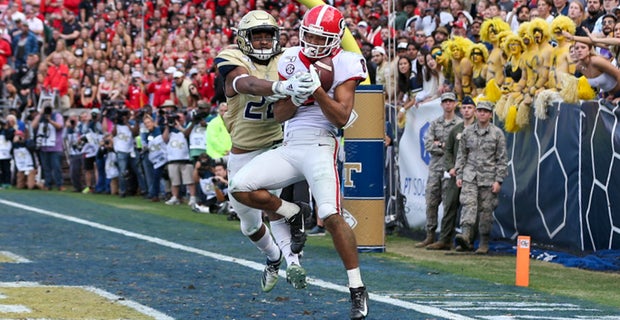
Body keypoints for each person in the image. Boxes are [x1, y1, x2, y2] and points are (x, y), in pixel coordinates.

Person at [229, 5, 369, 319]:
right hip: (291, 144)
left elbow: (342, 117)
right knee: (239, 187)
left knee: (332, 216)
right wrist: (293, 94)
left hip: (321, 143)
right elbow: (279, 115)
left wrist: (317, 91)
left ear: (335, 38)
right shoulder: (292, 57)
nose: (314, 42)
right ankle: (292, 213)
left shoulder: (347, 61)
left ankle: (357, 288)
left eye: (321, 37)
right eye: (310, 35)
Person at [214, 10, 312, 293]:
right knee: (249, 224)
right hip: (244, 150)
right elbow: (245, 83)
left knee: (274, 207)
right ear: (244, 39)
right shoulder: (232, 59)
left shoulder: (287, 59)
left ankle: (293, 262)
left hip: (279, 145)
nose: (262, 41)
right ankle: (273, 257)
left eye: (267, 35)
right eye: (256, 36)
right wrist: (280, 86)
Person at [454, 101, 508, 254]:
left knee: (486, 212)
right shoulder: (467, 132)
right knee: (468, 205)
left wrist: (499, 180)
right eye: (480, 111)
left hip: (489, 178)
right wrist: (459, 174)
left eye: (486, 111)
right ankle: (465, 237)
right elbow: (461, 154)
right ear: (476, 113)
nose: (482, 113)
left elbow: (502, 159)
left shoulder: (497, 134)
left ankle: (483, 243)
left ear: (490, 114)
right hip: (470, 176)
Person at [426, 96, 477, 250]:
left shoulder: (478, 128)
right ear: (461, 109)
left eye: (470, 108)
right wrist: (450, 167)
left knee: (471, 207)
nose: (467, 111)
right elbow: (447, 150)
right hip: (455, 172)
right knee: (449, 205)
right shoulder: (456, 130)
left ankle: (468, 241)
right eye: (465, 108)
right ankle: (444, 239)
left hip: (474, 173)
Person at [416, 91, 463, 248]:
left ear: (455, 104)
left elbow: (459, 148)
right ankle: (430, 235)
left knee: (449, 204)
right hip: (436, 168)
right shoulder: (435, 123)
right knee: (431, 201)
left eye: (451, 101)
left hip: (451, 169)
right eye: (445, 102)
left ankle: (446, 237)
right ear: (442, 104)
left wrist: (441, 144)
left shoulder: (460, 124)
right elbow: (428, 145)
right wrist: (444, 146)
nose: (448, 104)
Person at [32, 106, 65, 191]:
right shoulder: (40, 116)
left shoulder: (57, 116)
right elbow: (33, 125)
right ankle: (48, 184)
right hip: (44, 145)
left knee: (56, 166)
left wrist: (50, 120)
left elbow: (59, 126)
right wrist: (40, 114)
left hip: (55, 146)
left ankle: (59, 184)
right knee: (46, 167)